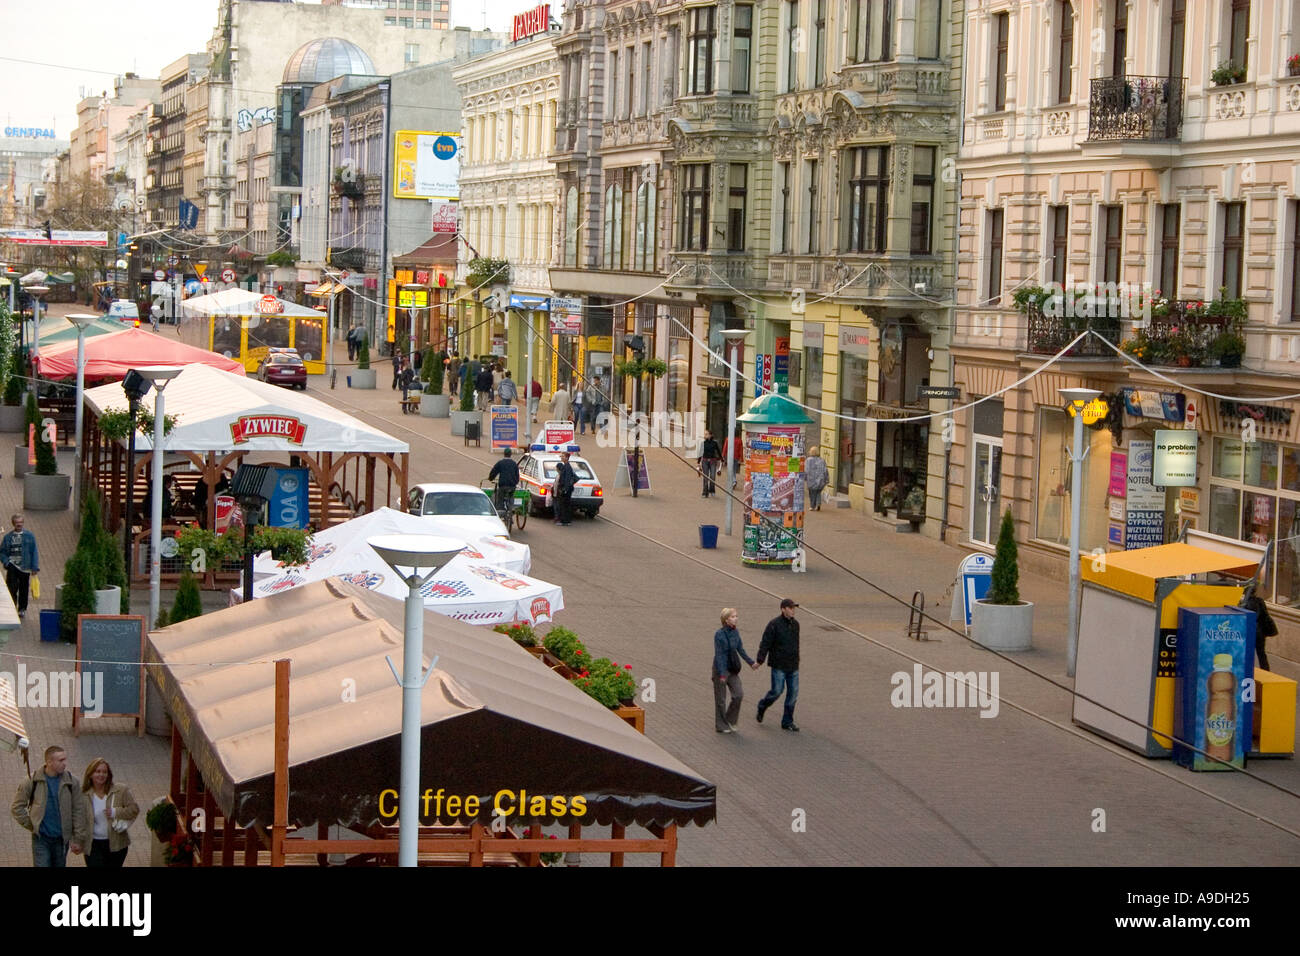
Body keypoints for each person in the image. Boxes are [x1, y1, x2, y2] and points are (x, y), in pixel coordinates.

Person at [11, 745, 88, 867]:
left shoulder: (72, 782)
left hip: (61, 838)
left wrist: (78, 838)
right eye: (61, 760)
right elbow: (17, 807)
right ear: (49, 762)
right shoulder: (32, 780)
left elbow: (78, 810)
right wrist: (33, 824)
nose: (65, 763)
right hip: (41, 838)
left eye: (65, 759)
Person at [81, 758, 139, 868]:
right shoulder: (83, 794)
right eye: (97, 771)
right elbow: (77, 819)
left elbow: (134, 809)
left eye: (104, 772)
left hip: (116, 844)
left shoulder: (120, 790)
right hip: (93, 844)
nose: (101, 775)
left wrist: (115, 812)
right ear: (90, 774)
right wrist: (76, 840)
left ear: (108, 774)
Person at [756, 598, 801, 731]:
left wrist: (797, 658)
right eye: (790, 608)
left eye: (794, 608)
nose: (793, 611)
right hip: (779, 665)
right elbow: (765, 643)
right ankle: (762, 705)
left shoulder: (796, 624)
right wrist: (760, 660)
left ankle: (787, 721)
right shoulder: (774, 624)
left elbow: (796, 644)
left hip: (793, 665)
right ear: (783, 609)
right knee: (777, 691)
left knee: (793, 694)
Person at [713, 608, 758, 734]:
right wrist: (722, 674)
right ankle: (721, 725)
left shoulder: (736, 632)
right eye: (733, 616)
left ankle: (730, 720)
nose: (736, 618)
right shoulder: (719, 634)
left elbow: (740, 649)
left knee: (738, 694)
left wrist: (751, 663)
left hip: (732, 669)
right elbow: (719, 655)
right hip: (720, 670)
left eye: (736, 616)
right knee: (721, 700)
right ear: (726, 620)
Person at [1, 513, 39, 619]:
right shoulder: (8, 537)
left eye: (21, 522)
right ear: (13, 523)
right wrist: (6, 562)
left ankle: (22, 609)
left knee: (24, 589)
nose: (19, 525)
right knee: (12, 588)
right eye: (17, 523)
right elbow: (2, 552)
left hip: (25, 567)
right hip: (12, 566)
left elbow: (34, 552)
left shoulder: (29, 536)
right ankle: (12, 607)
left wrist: (34, 567)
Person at [487, 447, 521, 513]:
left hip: (503, 485)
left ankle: (501, 510)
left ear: (504, 454)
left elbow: (494, 471)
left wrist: (490, 478)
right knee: (511, 495)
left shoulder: (500, 463)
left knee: (500, 497)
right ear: (511, 454)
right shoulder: (514, 464)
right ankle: (511, 509)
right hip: (512, 486)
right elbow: (517, 475)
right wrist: (515, 482)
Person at [553, 451, 577, 526]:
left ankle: (565, 521)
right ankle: (565, 520)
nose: (561, 457)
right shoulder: (565, 466)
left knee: (565, 505)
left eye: (563, 456)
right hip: (565, 489)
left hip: (566, 490)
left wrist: (565, 489)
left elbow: (567, 479)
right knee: (564, 504)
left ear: (567, 458)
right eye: (561, 456)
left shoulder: (567, 467)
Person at [699, 430, 722, 498]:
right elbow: (700, 453)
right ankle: (705, 492)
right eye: (705, 434)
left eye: (706, 434)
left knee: (712, 476)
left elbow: (718, 451)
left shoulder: (715, 443)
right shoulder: (703, 443)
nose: (705, 435)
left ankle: (712, 490)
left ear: (710, 435)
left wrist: (721, 459)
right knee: (705, 477)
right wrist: (698, 463)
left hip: (713, 461)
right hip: (705, 461)